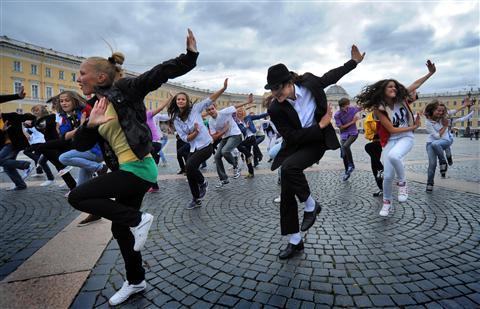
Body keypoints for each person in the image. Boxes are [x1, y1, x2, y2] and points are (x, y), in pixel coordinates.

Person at [68, 29, 199, 306]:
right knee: (119, 229)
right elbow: (81, 143)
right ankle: (136, 280)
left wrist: (188, 58)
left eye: (82, 74)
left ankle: (140, 220)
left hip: (139, 168)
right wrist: (91, 124)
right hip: (125, 171)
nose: (78, 79)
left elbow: (157, 73)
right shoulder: (95, 105)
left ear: (101, 77)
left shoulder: (126, 90)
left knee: (78, 196)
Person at [266, 45, 365, 259]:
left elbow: (331, 76)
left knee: (289, 168)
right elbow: (291, 137)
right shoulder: (275, 109)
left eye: (278, 89)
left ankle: (311, 206)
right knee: (286, 191)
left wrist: (353, 63)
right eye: (272, 90)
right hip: (298, 143)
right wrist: (319, 125)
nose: (275, 94)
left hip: (317, 142)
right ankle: (295, 240)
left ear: (290, 83)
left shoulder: (310, 83)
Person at [357, 60, 436, 217]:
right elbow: (391, 129)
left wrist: (430, 73)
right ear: (383, 91)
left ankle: (403, 182)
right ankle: (387, 203)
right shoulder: (379, 108)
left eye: (395, 86)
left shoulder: (402, 98)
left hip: (406, 137)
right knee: (386, 176)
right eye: (390, 86)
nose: (394, 88)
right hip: (391, 139)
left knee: (394, 156)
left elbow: (416, 84)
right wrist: (413, 127)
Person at [168, 79, 228, 208]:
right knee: (189, 172)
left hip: (206, 145)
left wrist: (223, 89)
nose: (180, 101)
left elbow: (210, 99)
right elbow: (184, 138)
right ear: (175, 101)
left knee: (189, 165)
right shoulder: (176, 119)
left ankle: (203, 183)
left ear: (187, 101)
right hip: (193, 147)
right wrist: (194, 132)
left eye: (183, 99)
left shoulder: (195, 109)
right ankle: (196, 199)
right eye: (178, 99)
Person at [206, 93, 252, 187]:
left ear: (215, 108)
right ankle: (224, 179)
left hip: (236, 135)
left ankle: (236, 166)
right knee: (217, 156)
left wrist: (248, 102)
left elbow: (235, 106)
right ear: (207, 112)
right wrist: (224, 130)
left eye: (212, 108)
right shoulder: (211, 121)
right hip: (225, 137)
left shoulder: (224, 112)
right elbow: (214, 137)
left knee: (225, 151)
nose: (211, 111)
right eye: (208, 110)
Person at [0, 86, 36, 190]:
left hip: (14, 144)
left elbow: (27, 117)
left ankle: (25, 164)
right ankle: (20, 185)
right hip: (4, 145)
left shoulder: (11, 116)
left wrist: (31, 121)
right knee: (7, 167)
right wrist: (2, 131)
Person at [235, 107, 268, 178]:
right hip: (246, 138)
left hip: (252, 137)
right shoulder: (237, 122)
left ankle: (254, 155)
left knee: (239, 146)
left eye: (241, 111)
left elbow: (259, 116)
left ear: (243, 112)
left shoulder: (248, 117)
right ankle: (251, 173)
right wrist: (246, 127)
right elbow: (242, 131)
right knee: (247, 157)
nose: (239, 113)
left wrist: (270, 112)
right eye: (238, 112)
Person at [334, 97, 362, 181]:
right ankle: (347, 172)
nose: (346, 108)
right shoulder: (337, 115)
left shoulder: (352, 109)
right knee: (344, 154)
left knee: (345, 146)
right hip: (344, 135)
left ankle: (351, 165)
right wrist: (352, 122)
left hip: (353, 133)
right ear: (341, 106)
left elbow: (362, 106)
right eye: (344, 106)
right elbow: (341, 128)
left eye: (347, 106)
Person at [363, 111, 383, 197]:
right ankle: (381, 188)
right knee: (374, 167)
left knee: (368, 147)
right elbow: (368, 133)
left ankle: (381, 168)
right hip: (376, 142)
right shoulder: (369, 117)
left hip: (385, 143)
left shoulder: (385, 114)